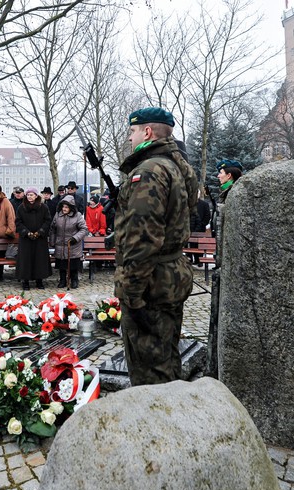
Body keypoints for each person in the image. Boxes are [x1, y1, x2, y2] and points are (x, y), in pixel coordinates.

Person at [114, 107, 197, 386]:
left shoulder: (149, 171)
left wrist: (131, 291)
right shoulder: (175, 166)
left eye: (132, 132)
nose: (129, 138)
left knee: (149, 369)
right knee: (167, 357)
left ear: (147, 132)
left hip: (151, 282)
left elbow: (143, 238)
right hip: (169, 275)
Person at [207, 159, 243, 378]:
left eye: (220, 172)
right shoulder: (226, 193)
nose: (218, 176)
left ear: (229, 175)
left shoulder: (234, 194)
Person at [15, 187, 52, 290]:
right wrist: (26, 233)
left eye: (31, 195)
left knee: (39, 260)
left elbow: (48, 221)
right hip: (26, 239)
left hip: (40, 238)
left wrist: (40, 232)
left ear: (36, 196)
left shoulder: (43, 207)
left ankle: (39, 281)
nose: (29, 197)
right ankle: (25, 281)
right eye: (28, 195)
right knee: (26, 260)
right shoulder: (21, 208)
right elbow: (18, 222)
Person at [50, 195, 88, 289]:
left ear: (71, 207)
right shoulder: (57, 215)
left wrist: (75, 238)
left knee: (73, 265)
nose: (64, 209)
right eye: (63, 206)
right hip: (60, 244)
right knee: (62, 264)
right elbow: (53, 229)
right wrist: (52, 241)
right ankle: (62, 280)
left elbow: (83, 229)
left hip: (73, 244)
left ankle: (74, 280)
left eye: (66, 207)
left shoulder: (77, 216)